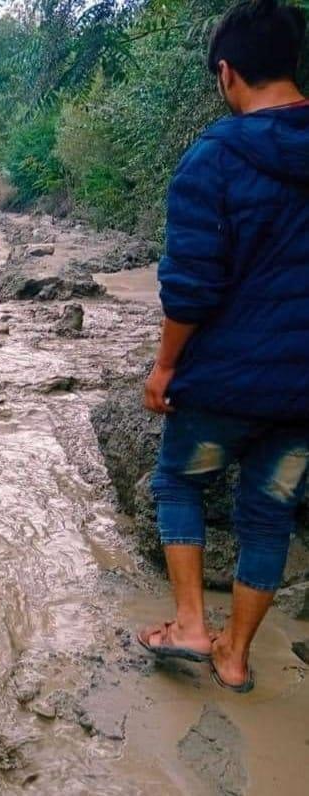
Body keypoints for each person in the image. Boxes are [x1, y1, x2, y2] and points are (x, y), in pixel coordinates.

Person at [138, 0, 309, 694]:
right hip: (304, 393)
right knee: (270, 512)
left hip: (225, 380)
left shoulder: (217, 156)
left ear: (228, 73)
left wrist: (165, 365)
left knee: (179, 481)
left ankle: (187, 623)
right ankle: (234, 655)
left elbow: (191, 286)